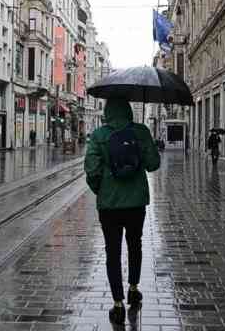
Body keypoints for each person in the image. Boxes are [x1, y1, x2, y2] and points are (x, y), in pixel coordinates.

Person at [84, 99, 161, 325]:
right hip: (136, 202)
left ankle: (117, 304)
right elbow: (153, 164)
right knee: (135, 244)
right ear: (128, 110)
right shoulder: (140, 131)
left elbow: (91, 169)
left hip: (109, 205)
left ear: (107, 112)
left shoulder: (99, 135)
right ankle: (133, 289)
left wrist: (102, 190)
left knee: (113, 251)